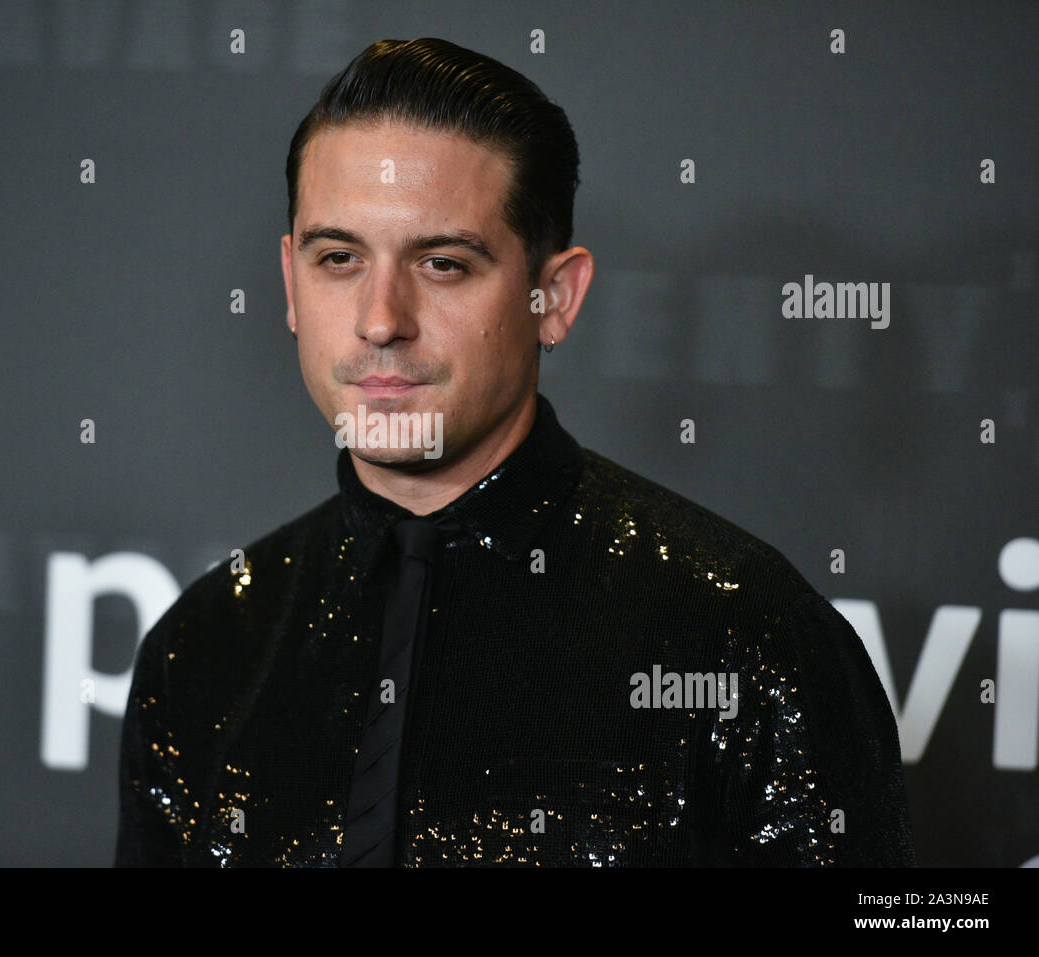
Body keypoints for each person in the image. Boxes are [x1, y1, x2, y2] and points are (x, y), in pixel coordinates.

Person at [113, 37, 914, 867]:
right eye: (339, 258)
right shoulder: (204, 649)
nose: (381, 319)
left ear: (554, 297)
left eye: (443, 263)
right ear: (290, 282)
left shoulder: (746, 637)